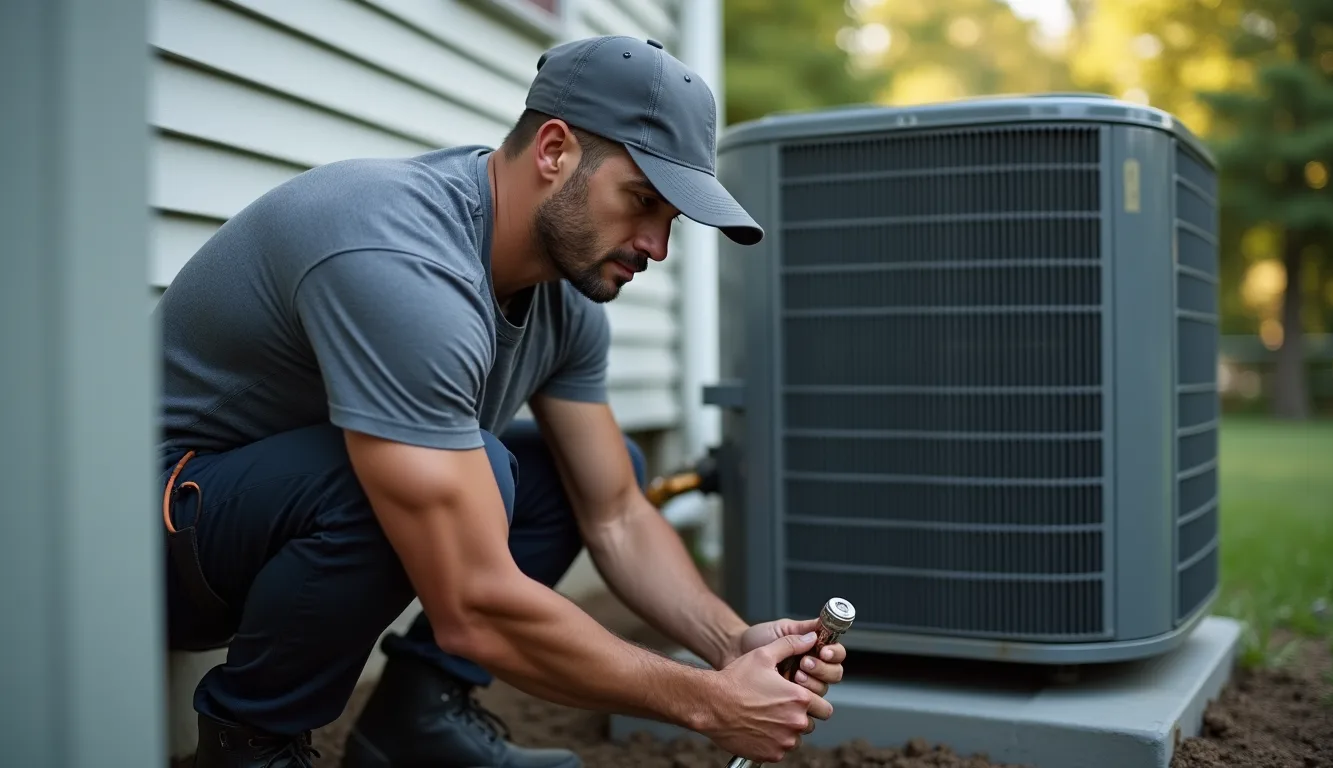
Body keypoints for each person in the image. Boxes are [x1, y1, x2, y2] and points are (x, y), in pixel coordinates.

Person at [156, 35, 847, 768]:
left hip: (248, 527)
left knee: (570, 472)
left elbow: (614, 512)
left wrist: (727, 643)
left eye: (672, 218)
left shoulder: (570, 297)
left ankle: (416, 723)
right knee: (468, 468)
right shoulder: (398, 257)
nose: (656, 245)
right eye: (643, 200)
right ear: (554, 150)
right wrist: (708, 702)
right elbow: (475, 606)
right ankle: (250, 746)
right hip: (139, 541)